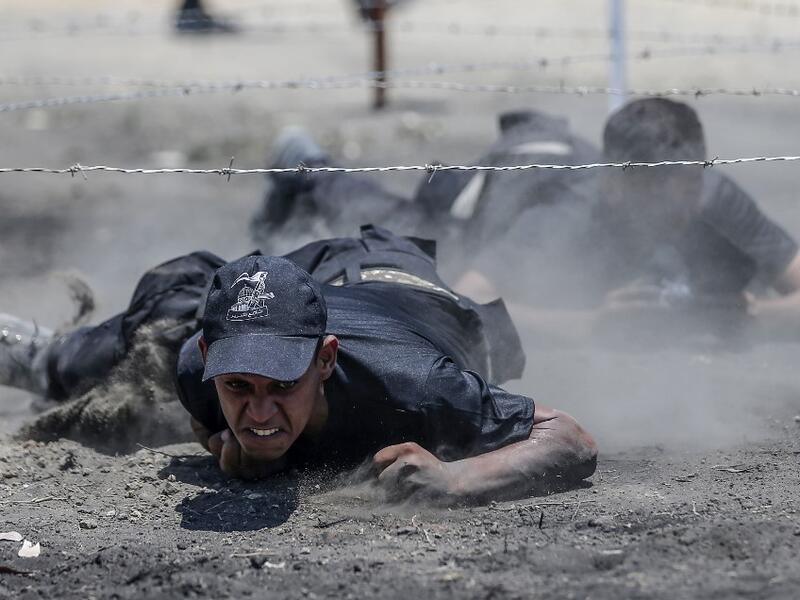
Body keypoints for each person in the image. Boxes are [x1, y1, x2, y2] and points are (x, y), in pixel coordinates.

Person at [0, 226, 597, 504]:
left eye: (283, 382)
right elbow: (210, 412)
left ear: (324, 360)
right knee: (152, 330)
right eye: (239, 385)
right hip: (317, 274)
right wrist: (222, 441)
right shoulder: (194, 370)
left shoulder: (418, 387)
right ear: (209, 360)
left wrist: (457, 479)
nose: (259, 411)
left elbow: (569, 436)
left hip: (403, 284)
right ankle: (41, 355)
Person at [456, 99, 800, 346]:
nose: (683, 211)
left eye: (690, 189)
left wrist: (750, 313)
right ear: (615, 186)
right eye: (660, 199)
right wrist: (588, 324)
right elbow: (465, 299)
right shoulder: (570, 212)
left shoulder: (712, 195)